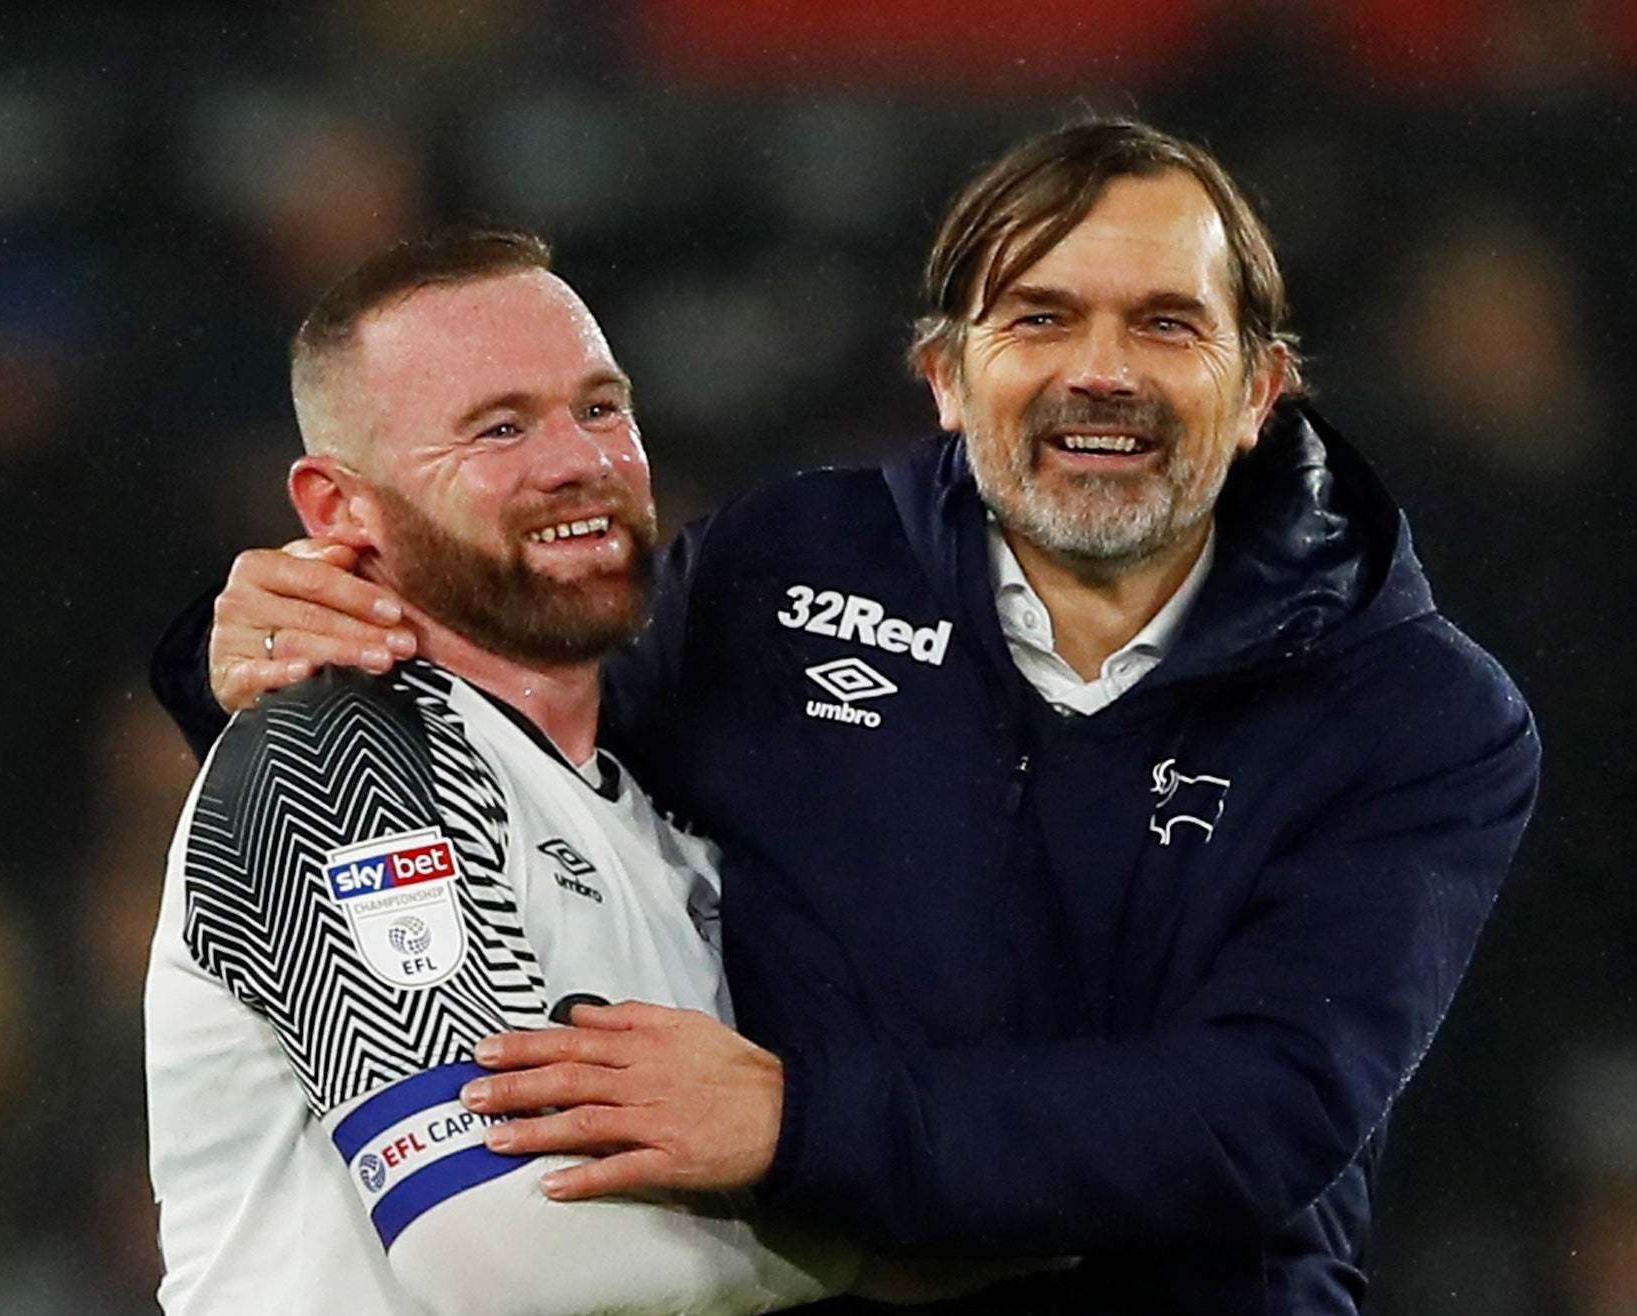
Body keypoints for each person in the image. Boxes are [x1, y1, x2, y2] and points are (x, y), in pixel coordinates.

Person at [154, 119, 1540, 1314]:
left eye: (1164, 323)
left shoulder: (1415, 715)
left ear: (1257, 392)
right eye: (1038, 318)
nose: (1096, 373)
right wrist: (249, 650)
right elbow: (513, 713)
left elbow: (1263, 1115)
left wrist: (800, 1131)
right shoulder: (783, 572)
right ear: (942, 378)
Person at [146, 227, 900, 1314]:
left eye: (599, 407)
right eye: (498, 428)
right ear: (336, 509)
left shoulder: (662, 807)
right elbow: (498, 1248)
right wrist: (884, 1247)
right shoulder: (334, 757)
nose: (578, 460)